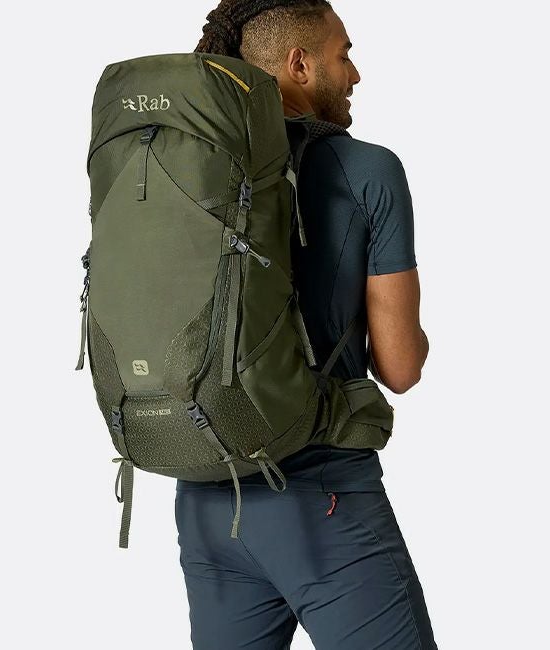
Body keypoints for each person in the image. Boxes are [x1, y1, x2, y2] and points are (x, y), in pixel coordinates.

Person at [174, 1, 437, 647]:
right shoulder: (367, 168)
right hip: (321, 498)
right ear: (299, 64)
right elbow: (401, 368)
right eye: (343, 55)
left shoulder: (190, 167)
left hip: (206, 497)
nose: (354, 75)